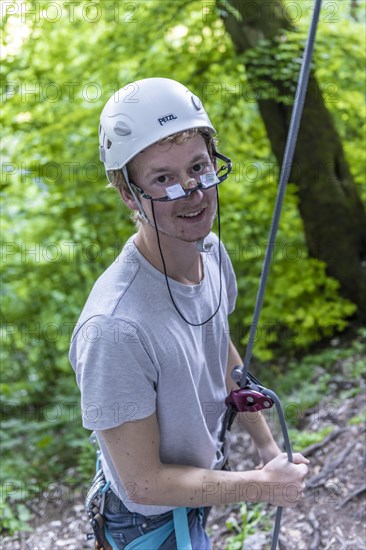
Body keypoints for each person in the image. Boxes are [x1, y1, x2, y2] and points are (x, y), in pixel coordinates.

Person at [69, 77, 309, 550]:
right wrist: (260, 486)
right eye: (163, 179)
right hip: (147, 525)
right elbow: (143, 484)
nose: (192, 192)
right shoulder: (114, 329)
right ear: (128, 194)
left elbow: (218, 349)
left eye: (198, 167)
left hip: (189, 495)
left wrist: (264, 445)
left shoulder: (212, 253)